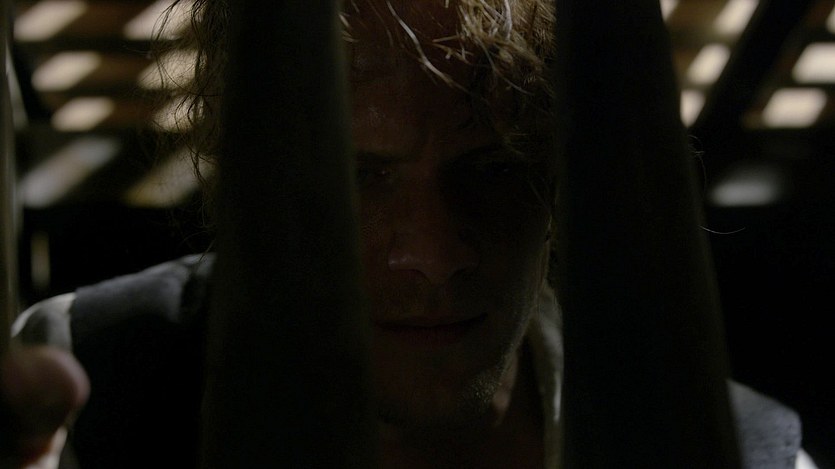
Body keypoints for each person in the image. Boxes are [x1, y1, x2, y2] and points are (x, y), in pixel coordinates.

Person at [0, 0, 812, 467]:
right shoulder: (96, 370)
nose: (432, 254)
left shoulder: (743, 449)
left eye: (494, 169)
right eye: (358, 174)